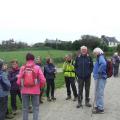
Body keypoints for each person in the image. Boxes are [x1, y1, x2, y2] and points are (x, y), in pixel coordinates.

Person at [17, 53, 46, 120]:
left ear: (26, 59)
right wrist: (40, 86)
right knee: (36, 108)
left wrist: (21, 86)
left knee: (25, 108)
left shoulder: (22, 68)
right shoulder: (37, 67)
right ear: (33, 59)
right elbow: (43, 80)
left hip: (24, 91)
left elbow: (18, 81)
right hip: (35, 91)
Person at [92, 47, 107, 114]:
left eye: (95, 53)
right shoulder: (99, 57)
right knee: (98, 92)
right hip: (98, 77)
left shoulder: (100, 57)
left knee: (99, 93)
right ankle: (98, 106)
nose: (94, 54)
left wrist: (99, 71)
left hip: (100, 78)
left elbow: (103, 64)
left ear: (98, 52)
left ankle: (100, 109)